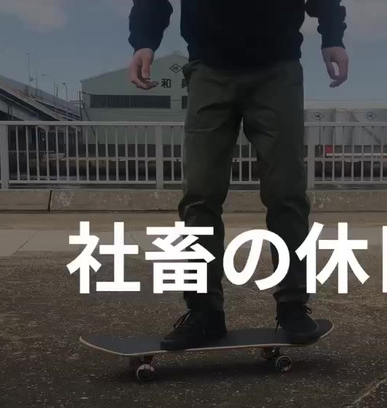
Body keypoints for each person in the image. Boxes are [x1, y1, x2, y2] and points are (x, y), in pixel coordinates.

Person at [127, 0, 349, 350]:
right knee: (199, 196)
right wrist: (144, 40)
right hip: (209, 67)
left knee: (287, 193)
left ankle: (293, 304)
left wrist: (332, 36)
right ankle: (204, 311)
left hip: (278, 67)